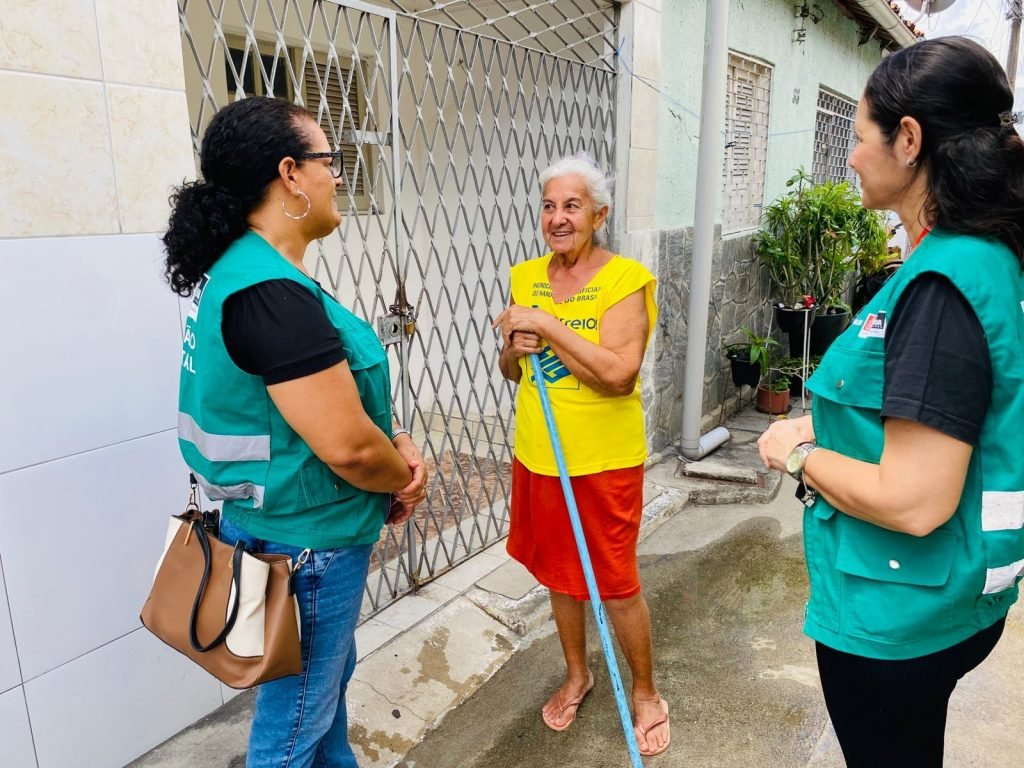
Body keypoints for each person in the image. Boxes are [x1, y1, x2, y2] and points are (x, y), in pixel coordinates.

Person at [757, 37, 1024, 767]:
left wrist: (799, 452)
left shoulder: (943, 282)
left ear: (908, 139)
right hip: (952, 596)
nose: (849, 156)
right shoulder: (986, 256)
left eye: (859, 135)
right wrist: (840, 421)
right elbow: (948, 410)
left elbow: (914, 500)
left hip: (901, 613)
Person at [162, 96, 427, 768]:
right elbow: (347, 447)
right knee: (291, 730)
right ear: (289, 173)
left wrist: (387, 452)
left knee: (322, 691)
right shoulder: (269, 293)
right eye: (329, 162)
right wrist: (402, 475)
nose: (337, 176)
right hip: (307, 541)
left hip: (273, 525)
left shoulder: (241, 272)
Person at [492, 153, 669, 756]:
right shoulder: (525, 276)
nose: (558, 218)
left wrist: (547, 324)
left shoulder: (625, 279)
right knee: (560, 578)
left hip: (602, 460)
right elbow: (514, 370)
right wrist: (515, 345)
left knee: (615, 583)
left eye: (572, 206)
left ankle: (644, 691)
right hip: (540, 455)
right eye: (549, 205)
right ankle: (578, 673)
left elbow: (619, 376)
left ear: (599, 214)